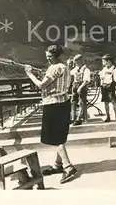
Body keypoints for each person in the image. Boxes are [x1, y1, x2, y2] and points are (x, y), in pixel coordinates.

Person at [24, 45, 78, 184]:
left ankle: (68, 167)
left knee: (55, 137)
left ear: (56, 56)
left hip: (53, 104)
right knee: (60, 135)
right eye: (47, 56)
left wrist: (30, 74)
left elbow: (41, 85)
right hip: (64, 102)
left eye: (50, 57)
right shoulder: (64, 67)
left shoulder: (54, 68)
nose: (48, 59)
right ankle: (57, 165)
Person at [98, 54, 116, 122]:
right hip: (104, 87)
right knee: (106, 103)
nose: (103, 63)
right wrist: (101, 86)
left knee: (113, 102)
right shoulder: (104, 69)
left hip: (111, 87)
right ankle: (108, 116)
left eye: (104, 61)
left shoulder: (114, 69)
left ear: (109, 61)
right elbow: (102, 79)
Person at [70, 54, 91, 126]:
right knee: (73, 102)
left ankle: (79, 118)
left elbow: (86, 80)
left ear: (80, 61)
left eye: (76, 61)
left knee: (82, 102)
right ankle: (73, 117)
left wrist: (80, 87)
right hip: (75, 85)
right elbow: (70, 74)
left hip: (82, 85)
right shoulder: (75, 69)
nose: (75, 63)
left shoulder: (86, 69)